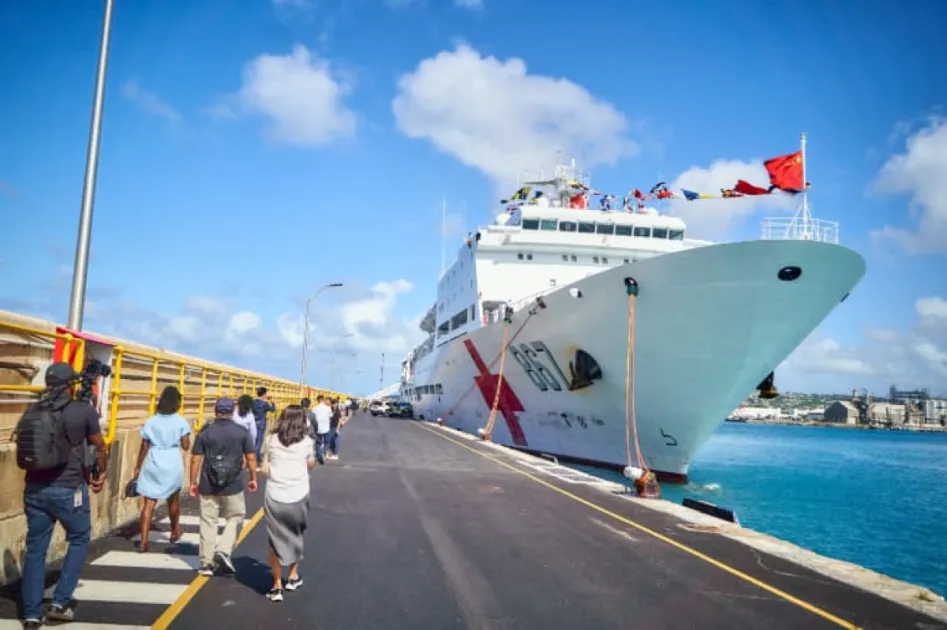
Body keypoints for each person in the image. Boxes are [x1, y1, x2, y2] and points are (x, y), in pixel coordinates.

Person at [19, 363, 108, 628]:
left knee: (36, 549)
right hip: (69, 489)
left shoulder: (33, 408)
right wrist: (100, 473)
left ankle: (32, 614)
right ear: (70, 384)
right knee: (79, 538)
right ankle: (59, 603)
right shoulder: (83, 410)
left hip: (34, 489)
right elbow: (99, 447)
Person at [189, 397, 258, 576]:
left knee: (207, 521)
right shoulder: (241, 432)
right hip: (233, 484)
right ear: (232, 411)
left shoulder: (205, 432)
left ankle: (205, 563)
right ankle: (224, 549)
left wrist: (192, 482)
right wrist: (253, 477)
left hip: (208, 482)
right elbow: (250, 457)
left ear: (216, 410)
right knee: (236, 516)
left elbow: (196, 459)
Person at [261, 405, 316, 602]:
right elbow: (311, 463)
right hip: (299, 493)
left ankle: (276, 587)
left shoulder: (271, 440)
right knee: (296, 533)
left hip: (275, 494)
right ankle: (292, 576)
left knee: (274, 539)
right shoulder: (307, 442)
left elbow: (264, 467)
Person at [132, 386, 192, 552]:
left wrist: (137, 466)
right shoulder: (180, 421)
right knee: (173, 500)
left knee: (149, 502)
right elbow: (186, 446)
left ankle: (144, 540)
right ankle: (174, 531)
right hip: (171, 461)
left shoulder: (152, 420)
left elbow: (144, 446)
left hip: (153, 460)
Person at [252, 387, 276, 466]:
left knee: (254, 441)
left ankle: (254, 456)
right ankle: (256, 458)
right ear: (264, 394)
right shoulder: (265, 404)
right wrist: (272, 402)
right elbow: (273, 409)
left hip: (254, 423)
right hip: (261, 424)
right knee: (259, 442)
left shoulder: (254, 402)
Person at [311, 395, 332, 465]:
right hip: (326, 428)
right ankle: (323, 452)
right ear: (323, 400)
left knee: (318, 443)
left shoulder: (314, 408)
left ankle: (319, 454)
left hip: (318, 428)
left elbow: (313, 418)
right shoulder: (328, 408)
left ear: (317, 400)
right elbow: (331, 416)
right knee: (327, 442)